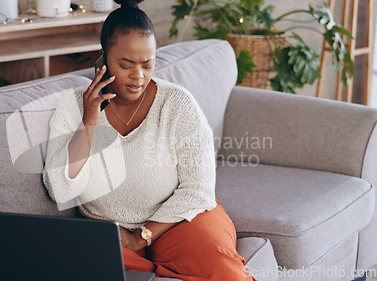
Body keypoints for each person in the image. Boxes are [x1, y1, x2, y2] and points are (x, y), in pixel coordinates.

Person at [43, 0, 256, 280]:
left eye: (147, 64)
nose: (138, 76)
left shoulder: (177, 103)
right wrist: (89, 123)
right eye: (126, 64)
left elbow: (199, 189)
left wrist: (142, 237)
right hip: (112, 235)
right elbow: (61, 191)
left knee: (224, 273)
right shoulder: (73, 108)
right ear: (103, 57)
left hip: (180, 221)